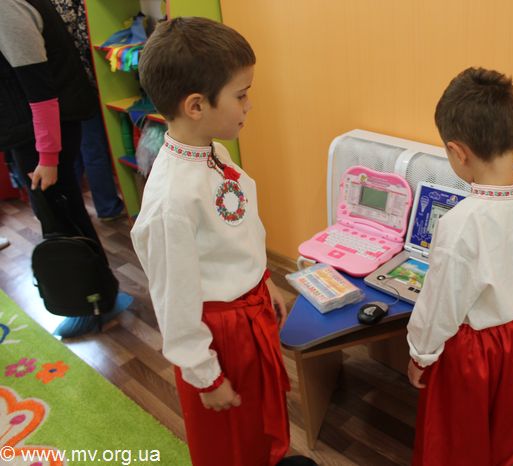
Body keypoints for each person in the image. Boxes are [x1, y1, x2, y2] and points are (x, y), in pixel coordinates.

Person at [131, 17, 315, 466]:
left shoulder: (215, 151)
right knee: (231, 440)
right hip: (218, 337)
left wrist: (262, 280)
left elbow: (237, 233)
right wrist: (205, 375)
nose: (249, 104)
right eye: (241, 95)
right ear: (196, 105)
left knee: (257, 419)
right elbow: (174, 300)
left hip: (247, 315)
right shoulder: (172, 200)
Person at [406, 67, 513, 466]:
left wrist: (420, 355)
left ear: (458, 152)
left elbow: (439, 306)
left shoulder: (462, 223)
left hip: (470, 350)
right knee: (501, 424)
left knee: (458, 434)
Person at [0, 0, 123, 337]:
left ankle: (91, 301)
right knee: (62, 214)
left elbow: (39, 88)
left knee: (61, 217)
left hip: (42, 134)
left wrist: (48, 156)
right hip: (33, 131)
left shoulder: (7, 7)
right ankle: (95, 297)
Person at [49, 0, 125, 221]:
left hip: (50, 89)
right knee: (93, 149)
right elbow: (86, 39)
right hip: (79, 84)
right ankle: (107, 206)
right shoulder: (72, 3)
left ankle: (71, 210)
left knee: (69, 152)